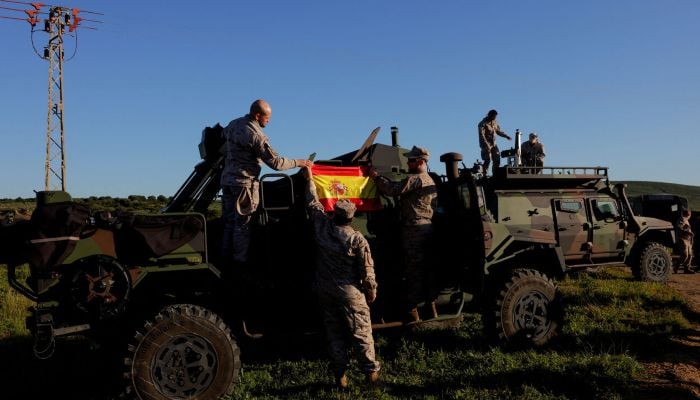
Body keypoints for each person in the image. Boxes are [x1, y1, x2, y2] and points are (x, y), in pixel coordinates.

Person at [303, 167, 380, 389]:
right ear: (352, 216)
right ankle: (371, 377)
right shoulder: (357, 240)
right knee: (361, 333)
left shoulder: (321, 226)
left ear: (334, 213)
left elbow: (312, 202)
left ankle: (340, 378)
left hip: (325, 289)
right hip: (350, 292)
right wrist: (371, 291)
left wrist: (309, 178)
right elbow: (367, 271)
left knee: (334, 334)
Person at [220, 99, 312, 265]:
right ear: (257, 115)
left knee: (229, 223)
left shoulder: (233, 124)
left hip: (227, 182)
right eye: (267, 118)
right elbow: (275, 163)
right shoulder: (256, 135)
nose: (268, 121)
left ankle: (224, 260)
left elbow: (222, 135)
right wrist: (300, 162)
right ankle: (239, 266)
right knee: (243, 227)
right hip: (244, 186)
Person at [370, 146, 438, 322]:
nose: (408, 162)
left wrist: (376, 177)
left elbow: (392, 190)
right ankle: (431, 310)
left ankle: (412, 314)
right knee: (426, 270)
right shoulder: (430, 180)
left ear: (421, 162)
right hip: (426, 228)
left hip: (414, 230)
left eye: (411, 160)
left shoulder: (417, 179)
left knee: (412, 271)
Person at [478, 109, 512, 175]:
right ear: (489, 115)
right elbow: (481, 135)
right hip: (485, 144)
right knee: (487, 159)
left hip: (493, 144)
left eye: (495, 117)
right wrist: (486, 145)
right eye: (493, 117)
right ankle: (484, 175)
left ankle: (495, 174)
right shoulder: (482, 124)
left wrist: (506, 136)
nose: (494, 118)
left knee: (497, 158)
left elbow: (498, 131)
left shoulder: (494, 122)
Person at [675, 209, 695, 274]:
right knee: (685, 254)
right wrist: (688, 233)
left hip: (688, 239)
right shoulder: (682, 219)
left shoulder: (686, 220)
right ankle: (676, 267)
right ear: (689, 215)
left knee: (690, 255)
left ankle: (686, 268)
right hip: (683, 239)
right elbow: (680, 228)